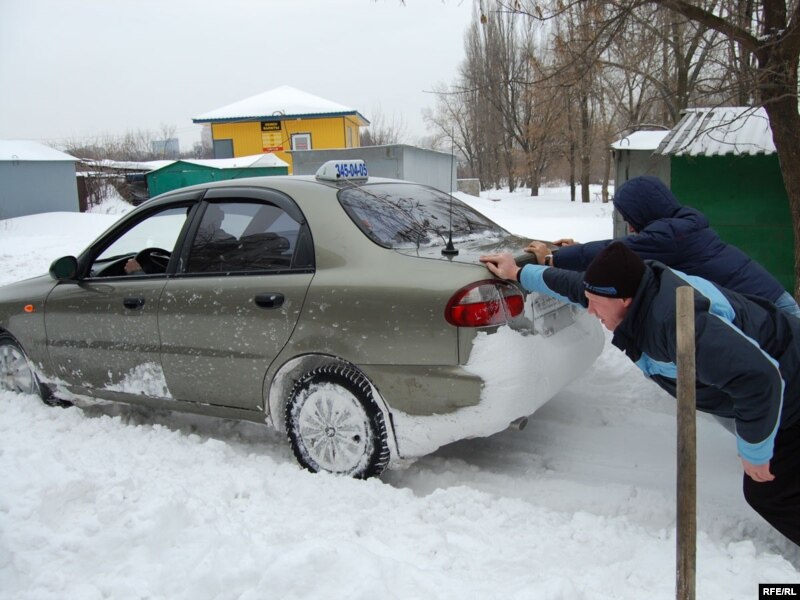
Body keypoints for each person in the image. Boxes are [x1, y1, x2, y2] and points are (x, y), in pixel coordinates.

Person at [480, 242, 800, 546]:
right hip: (781, 381)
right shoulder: (629, 287)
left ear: (625, 301)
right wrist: (518, 273)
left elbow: (760, 379)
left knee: (769, 493)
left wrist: (756, 453)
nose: (590, 310)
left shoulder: (674, 324)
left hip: (790, 385)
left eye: (595, 303)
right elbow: (575, 286)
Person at [523, 175, 800, 317]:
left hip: (774, 312)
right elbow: (628, 253)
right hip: (769, 303)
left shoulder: (670, 235)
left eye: (631, 220)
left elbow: (618, 250)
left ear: (646, 212)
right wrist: (578, 249)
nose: (631, 228)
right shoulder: (681, 228)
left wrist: (554, 259)